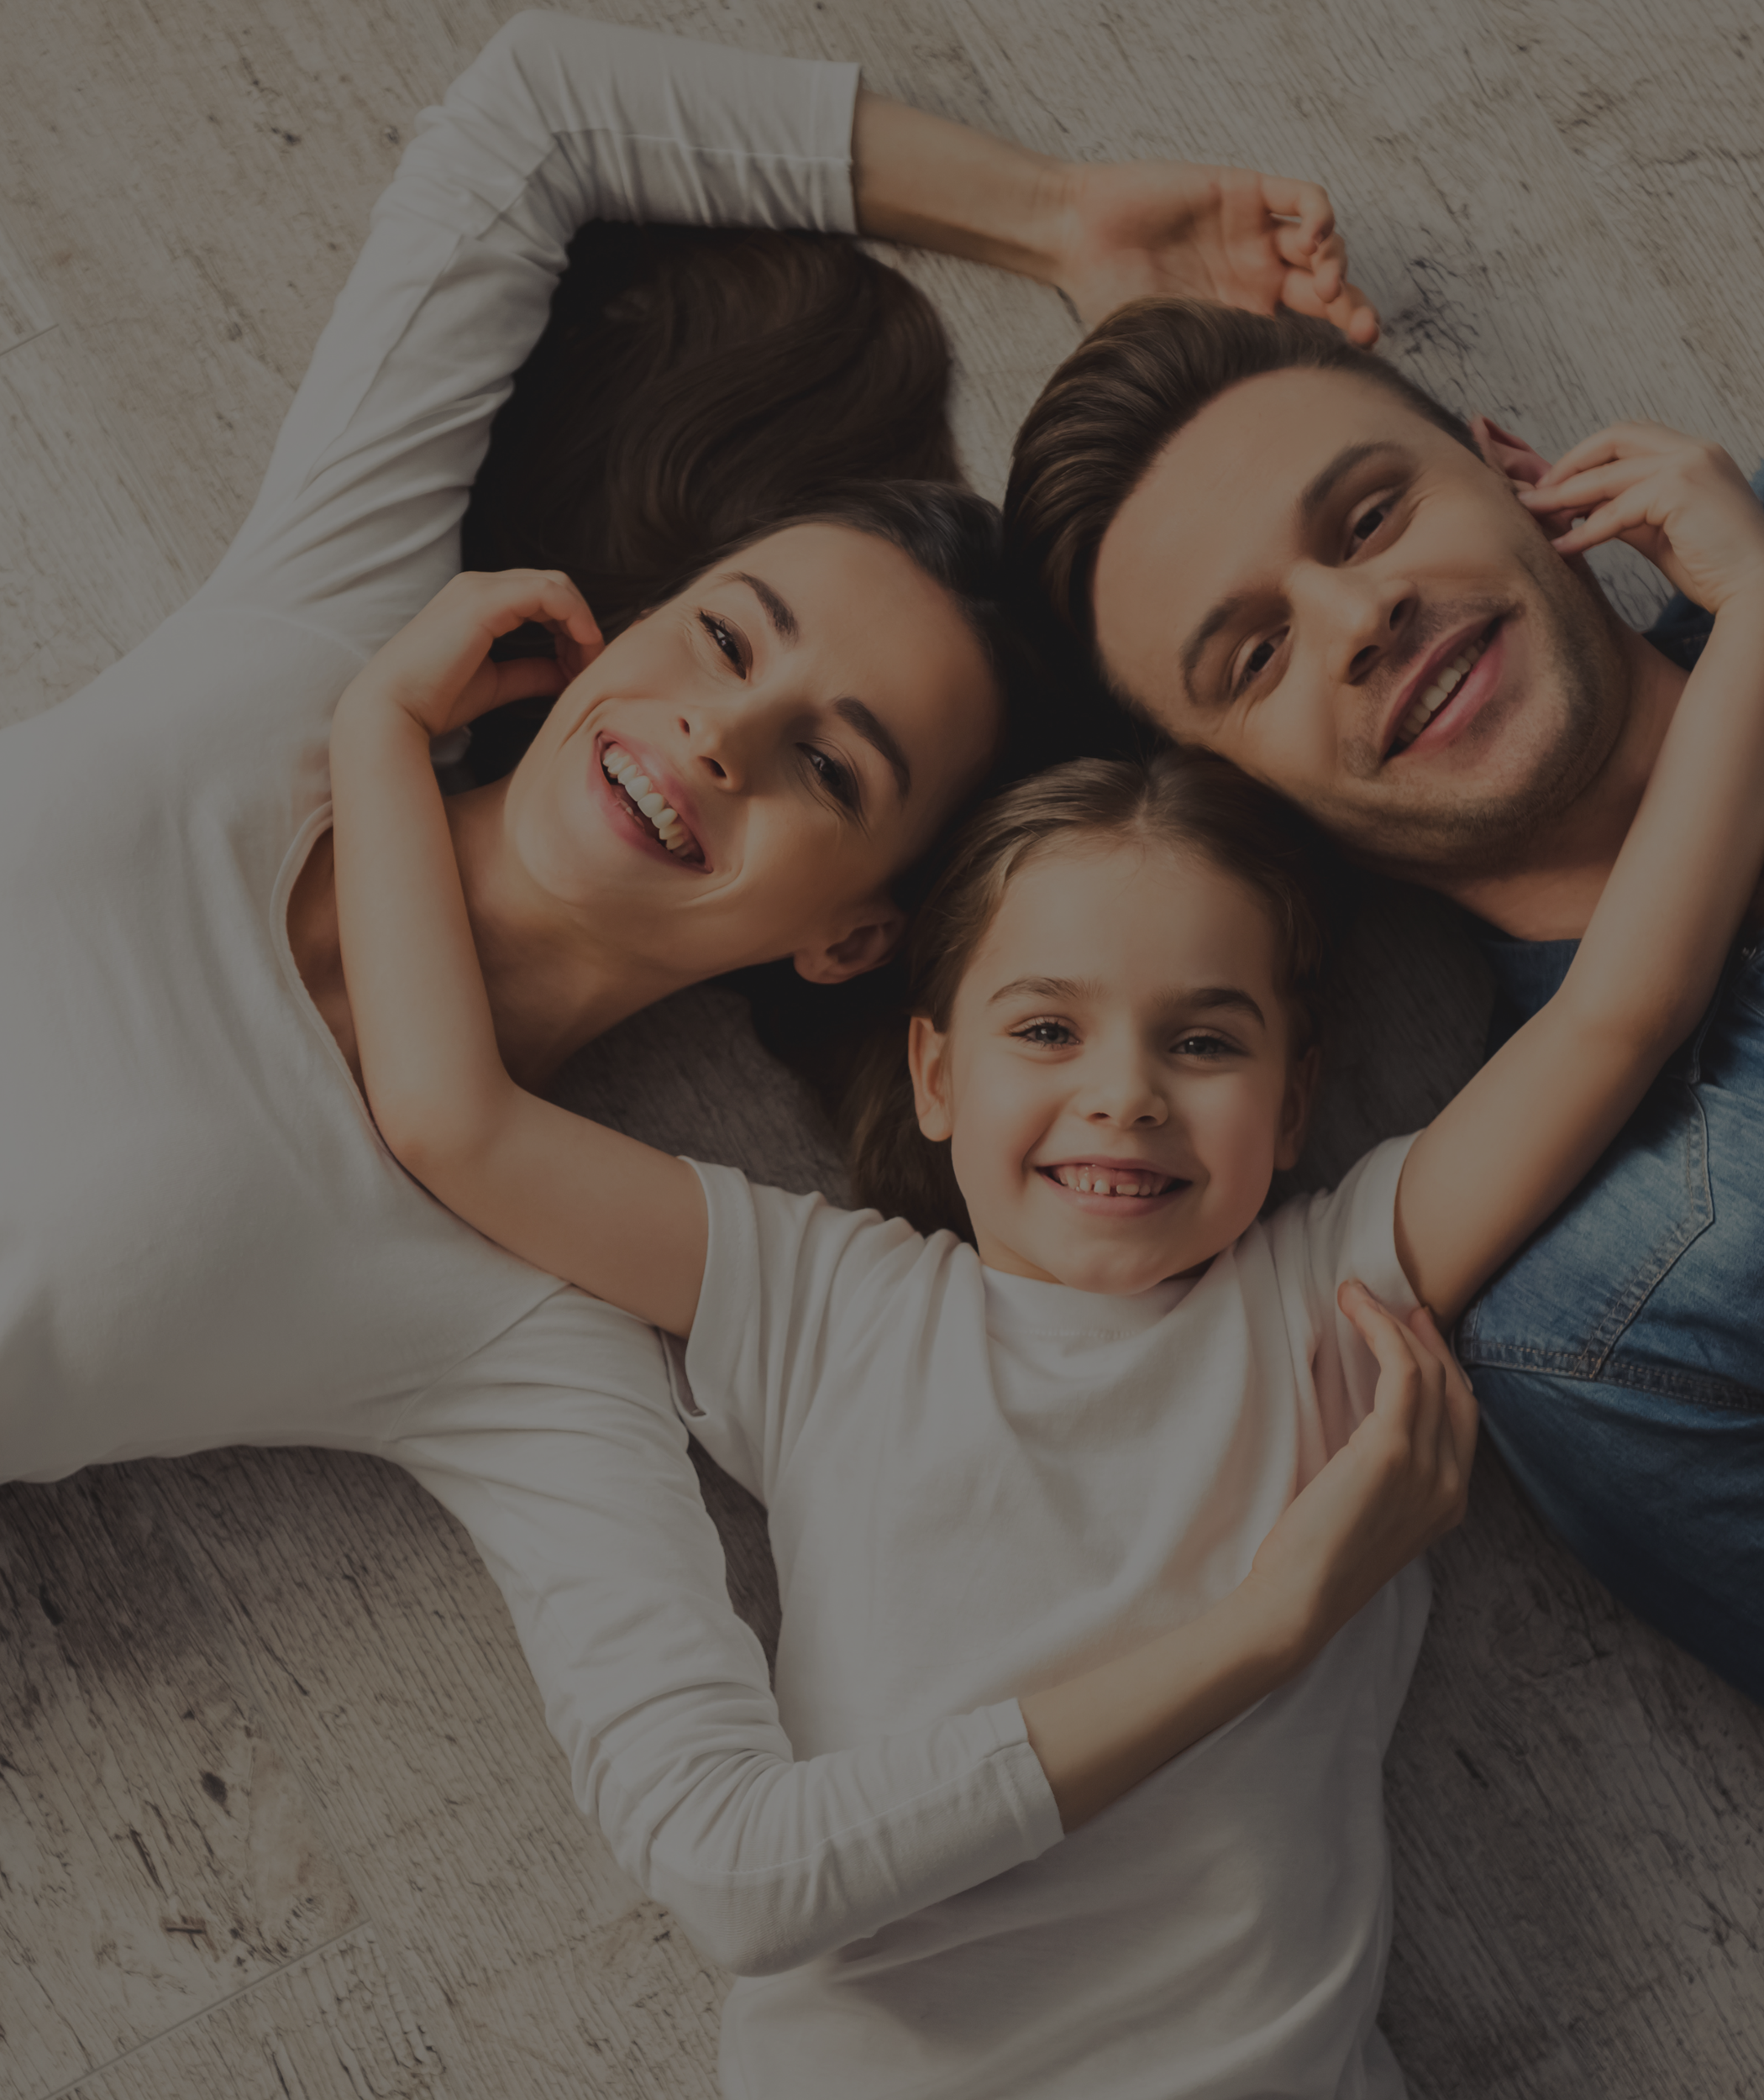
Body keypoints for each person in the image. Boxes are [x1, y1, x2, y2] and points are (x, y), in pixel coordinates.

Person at [0, 7, 1398, 1987]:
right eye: (721, 637)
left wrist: (1260, 1629)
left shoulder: (515, 1321)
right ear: (616, 621)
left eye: (831, 769)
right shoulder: (312, 637)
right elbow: (537, 112)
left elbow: (739, 1863)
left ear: (854, 938)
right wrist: (1056, 219)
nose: (716, 734)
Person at [322, 399, 1764, 2092]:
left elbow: (1621, 1003)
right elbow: (448, 1116)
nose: (1124, 1101)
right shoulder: (822, 1302)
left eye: (1203, 1040)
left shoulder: (1330, 1299)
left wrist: (1755, 611)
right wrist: (378, 726)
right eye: (1046, 1030)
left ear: (1294, 1080)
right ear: (935, 1067)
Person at [1000, 299, 1764, 1858]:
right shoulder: (1609, 1327)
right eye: (1256, 655)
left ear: (1513, 468)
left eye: (1369, 516)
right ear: (1265, 815)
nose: (1358, 616)